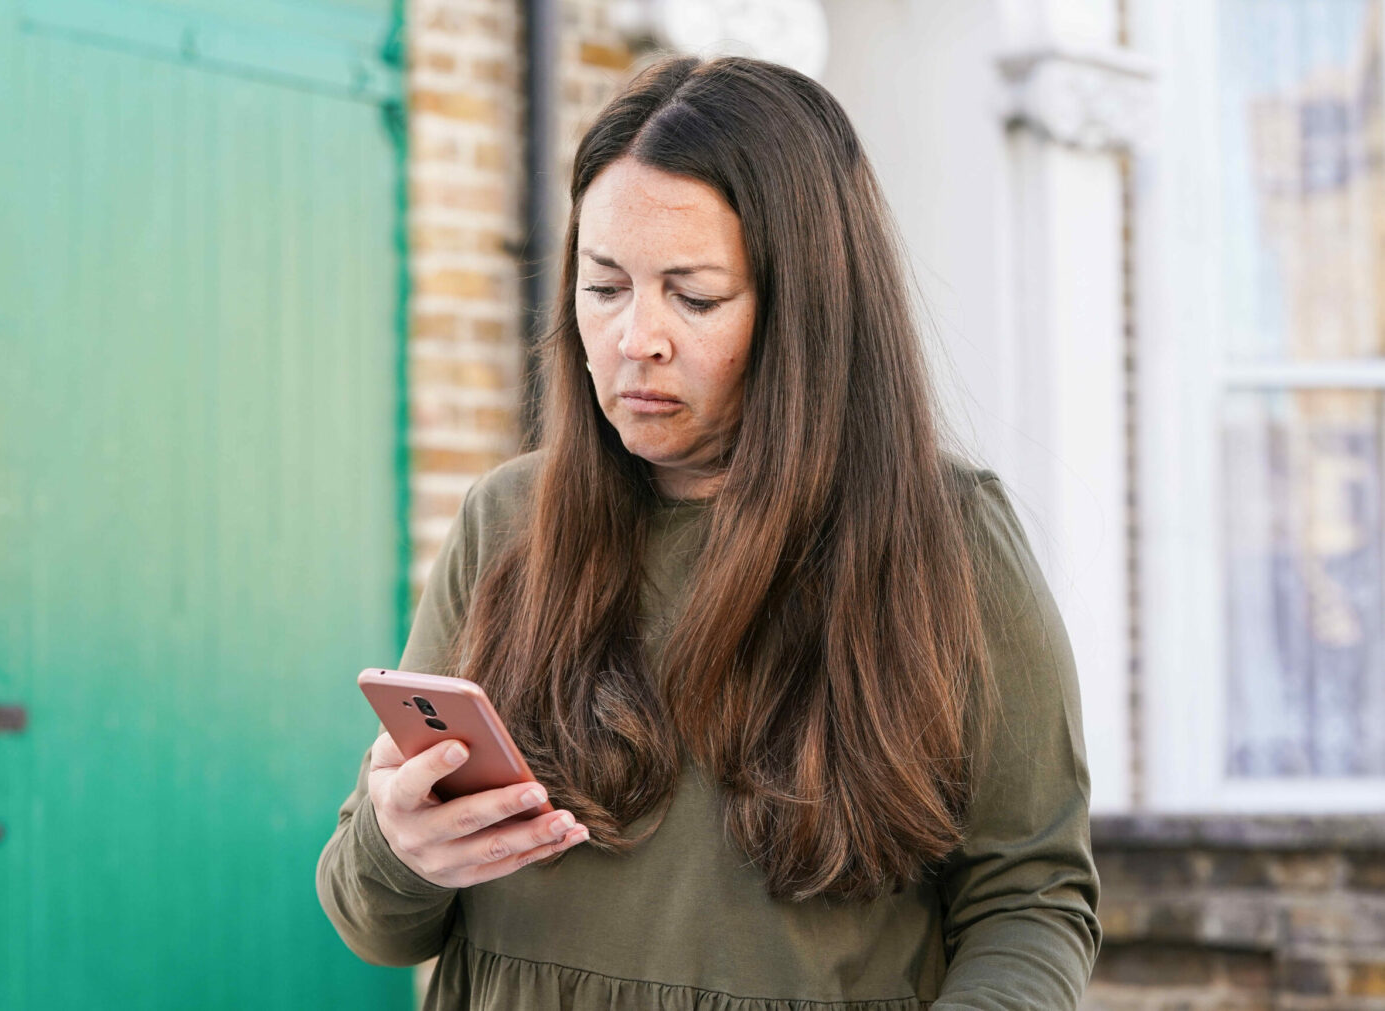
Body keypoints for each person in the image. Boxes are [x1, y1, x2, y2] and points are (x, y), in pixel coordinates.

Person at [317, 53, 1101, 1009]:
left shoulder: (949, 541)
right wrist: (401, 847)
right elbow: (376, 924)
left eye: (694, 297)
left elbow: (1031, 900)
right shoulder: (507, 519)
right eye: (604, 286)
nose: (636, 339)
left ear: (806, 310)